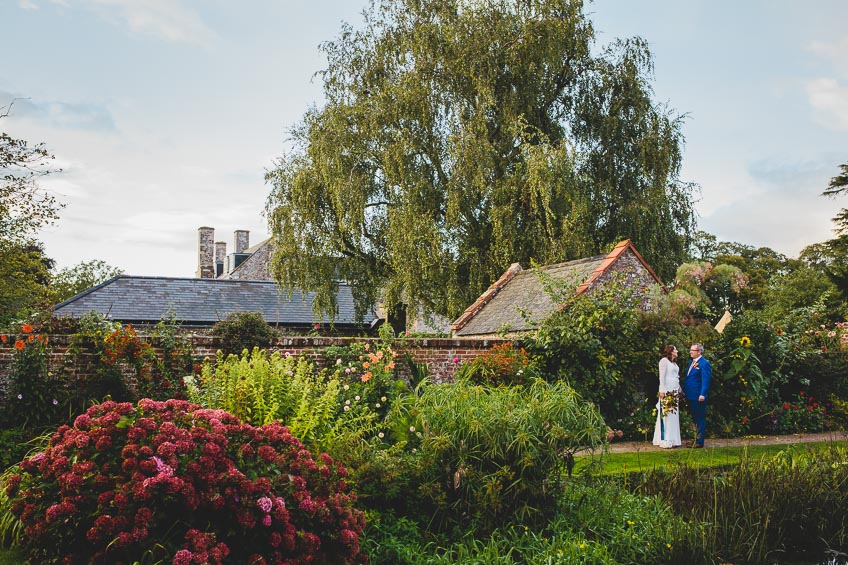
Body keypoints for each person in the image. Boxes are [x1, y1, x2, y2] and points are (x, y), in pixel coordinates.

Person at [652, 345, 682, 448]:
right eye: (675, 350)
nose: (677, 351)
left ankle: (674, 439)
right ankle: (665, 439)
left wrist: (679, 388)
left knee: (673, 414)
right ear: (671, 351)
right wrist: (662, 390)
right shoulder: (664, 361)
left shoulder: (674, 363)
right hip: (667, 390)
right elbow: (662, 376)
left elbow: (676, 376)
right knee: (667, 413)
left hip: (674, 390)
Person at [684, 343, 711, 448]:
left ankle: (699, 441)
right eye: (690, 350)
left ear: (699, 352)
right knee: (695, 418)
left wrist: (702, 394)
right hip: (690, 395)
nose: (690, 352)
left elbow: (706, 380)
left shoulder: (704, 363)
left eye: (693, 350)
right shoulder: (691, 362)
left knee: (700, 418)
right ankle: (695, 438)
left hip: (698, 396)